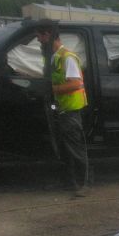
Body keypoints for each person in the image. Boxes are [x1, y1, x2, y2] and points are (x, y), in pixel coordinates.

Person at [34, 20, 91, 196]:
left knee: (76, 149)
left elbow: (75, 83)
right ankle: (70, 183)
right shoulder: (54, 57)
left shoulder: (67, 57)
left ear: (48, 35)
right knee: (65, 149)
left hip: (71, 111)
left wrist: (51, 89)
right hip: (60, 110)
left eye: (39, 37)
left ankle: (85, 184)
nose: (38, 41)